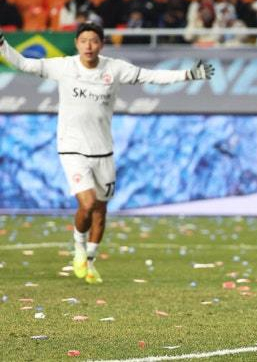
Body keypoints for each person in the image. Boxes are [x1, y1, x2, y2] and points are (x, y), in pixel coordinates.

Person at [0, 22, 214, 284]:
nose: (88, 46)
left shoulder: (115, 69)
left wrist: (189, 75)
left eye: (94, 41)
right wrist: (2, 44)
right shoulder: (64, 67)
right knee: (88, 203)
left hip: (103, 151)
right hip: (72, 148)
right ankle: (78, 248)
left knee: (100, 212)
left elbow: (151, 76)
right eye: (83, 41)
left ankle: (89, 261)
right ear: (77, 44)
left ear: (101, 44)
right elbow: (23, 63)